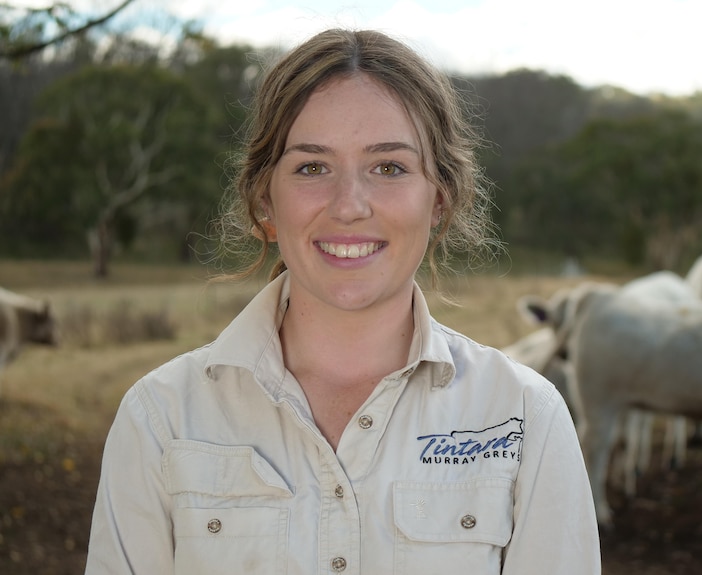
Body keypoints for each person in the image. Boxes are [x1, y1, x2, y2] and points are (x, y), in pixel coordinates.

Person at [84, 28, 601, 574]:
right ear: (266, 202)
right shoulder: (160, 419)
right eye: (312, 167)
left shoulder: (524, 417)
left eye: (389, 167)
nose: (350, 205)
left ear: (440, 201)